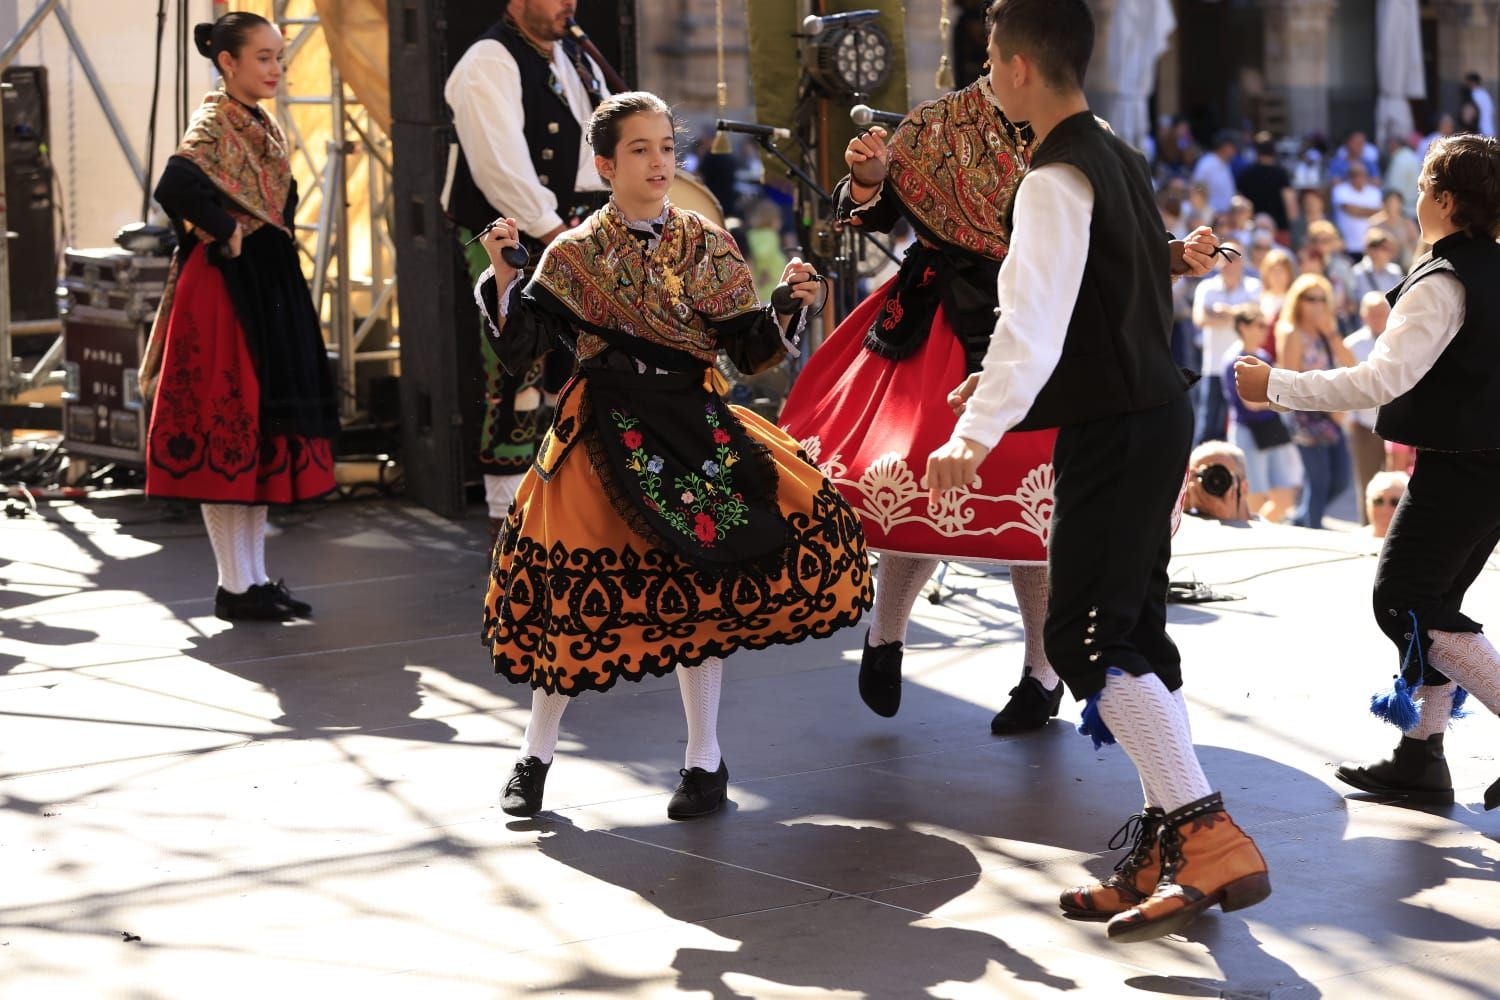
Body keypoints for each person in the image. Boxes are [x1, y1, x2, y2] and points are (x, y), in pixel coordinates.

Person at [928, 0, 1269, 943]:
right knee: (1132, 634)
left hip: (1119, 426)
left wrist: (976, 433)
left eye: (991, 60)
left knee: (1088, 641)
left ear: (1022, 68)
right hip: (1145, 413)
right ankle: (1169, 844)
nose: (988, 76)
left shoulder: (1050, 175)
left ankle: (1207, 839)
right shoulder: (1110, 147)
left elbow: (1030, 320)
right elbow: (1104, 278)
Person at [476, 92, 873, 820]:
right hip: (604, 428)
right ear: (604, 164)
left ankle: (704, 761)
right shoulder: (571, 253)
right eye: (640, 149)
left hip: (692, 423)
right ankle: (534, 754)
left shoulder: (707, 240)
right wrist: (503, 276)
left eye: (665, 146)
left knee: (703, 592)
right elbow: (524, 347)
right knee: (571, 593)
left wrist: (788, 303)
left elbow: (749, 350)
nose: (660, 161)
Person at [778, 63, 1063, 734]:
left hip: (1035, 320)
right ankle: (885, 637)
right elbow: (876, 208)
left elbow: (1107, 221)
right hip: (933, 318)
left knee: (1035, 497)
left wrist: (1169, 253)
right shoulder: (933, 123)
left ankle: (1042, 671)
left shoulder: (1067, 123)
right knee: (911, 476)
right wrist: (871, 176)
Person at [1235, 133, 1500, 814]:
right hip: (1484, 465)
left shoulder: (1444, 279)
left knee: (1405, 602)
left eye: (1420, 187)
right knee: (1433, 606)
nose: (1415, 199)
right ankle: (1421, 756)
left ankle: (1423, 756)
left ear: (1442, 199)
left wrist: (1277, 384)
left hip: (1464, 468)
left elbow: (1381, 379)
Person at [140, 13, 337, 622]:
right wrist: (226, 231)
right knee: (231, 422)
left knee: (261, 430)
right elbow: (175, 184)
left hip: (265, 280)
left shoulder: (257, 123)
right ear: (228, 62)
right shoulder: (213, 120)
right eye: (263, 58)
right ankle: (235, 582)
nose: (276, 69)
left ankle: (248, 581)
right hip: (229, 288)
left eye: (279, 57)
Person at [444, 0, 612, 541]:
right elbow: (500, 167)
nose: (569, 3)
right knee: (520, 375)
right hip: (523, 235)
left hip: (579, 231)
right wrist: (556, 233)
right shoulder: (488, 60)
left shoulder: (576, 56)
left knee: (577, 373)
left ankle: (572, 514)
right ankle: (509, 523)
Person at [1275, 273, 1354, 528]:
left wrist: (1330, 332)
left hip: (1330, 412)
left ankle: (1298, 521)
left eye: (1323, 299)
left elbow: (1352, 363)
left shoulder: (1325, 333)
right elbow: (1291, 382)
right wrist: (1329, 408)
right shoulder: (1292, 333)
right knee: (1319, 483)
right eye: (1311, 299)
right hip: (1306, 415)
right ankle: (1310, 529)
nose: (1317, 305)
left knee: (1341, 479)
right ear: (1297, 301)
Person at [1222, 305, 1299, 521]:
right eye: (1260, 325)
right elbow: (1251, 404)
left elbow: (1270, 396)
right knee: (1254, 498)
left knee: (1284, 498)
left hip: (1271, 429)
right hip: (1247, 432)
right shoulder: (1233, 360)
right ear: (1243, 327)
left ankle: (1262, 529)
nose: (1266, 329)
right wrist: (1284, 399)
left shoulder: (1264, 356)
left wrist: (1282, 398)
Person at [1190, 242, 1259, 444]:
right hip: (1214, 367)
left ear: (1242, 261)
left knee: (1246, 425)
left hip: (1245, 365)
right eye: (1224, 257)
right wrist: (1239, 314)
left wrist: (1223, 312)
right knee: (1208, 425)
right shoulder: (1206, 287)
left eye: (1234, 257)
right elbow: (1200, 319)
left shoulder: (1254, 286)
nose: (1229, 262)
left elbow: (1255, 318)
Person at [1344, 292, 1393, 525]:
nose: (1377, 317)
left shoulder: (1398, 340)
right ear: (1363, 315)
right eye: (1372, 313)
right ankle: (1367, 528)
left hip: (1395, 424)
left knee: (1396, 480)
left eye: (1382, 312)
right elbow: (1345, 382)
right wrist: (1350, 417)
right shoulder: (1352, 344)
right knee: (1367, 481)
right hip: (1365, 424)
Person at [1234, 132, 1296, 238]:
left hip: (1252, 229)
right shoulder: (1281, 174)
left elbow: (1239, 201)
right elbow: (1291, 206)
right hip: (1279, 229)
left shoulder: (1246, 174)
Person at [1182, 442, 1253, 522]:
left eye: (1221, 476)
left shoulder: (1265, 532)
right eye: (1200, 476)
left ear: (1244, 488)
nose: (1213, 482)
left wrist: (1229, 521)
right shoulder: (1182, 525)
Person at [1332, 161, 1384, 259]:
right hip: (1346, 246)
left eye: (1361, 174)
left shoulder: (1375, 192)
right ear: (1348, 176)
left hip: (1370, 246)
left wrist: (1359, 210)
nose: (1357, 177)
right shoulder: (1340, 190)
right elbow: (1350, 210)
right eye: (1354, 174)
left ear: (1366, 176)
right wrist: (1372, 211)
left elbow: (1382, 213)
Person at [1191, 131, 1238, 217]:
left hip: (1223, 217)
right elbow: (1196, 190)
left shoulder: (1225, 164)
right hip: (1208, 217)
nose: (1234, 150)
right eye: (1232, 146)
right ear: (1224, 147)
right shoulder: (1206, 163)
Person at [1363, 470, 1408, 540]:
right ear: (1368, 504)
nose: (1385, 510)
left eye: (1395, 502)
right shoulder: (1352, 541)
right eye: (1378, 501)